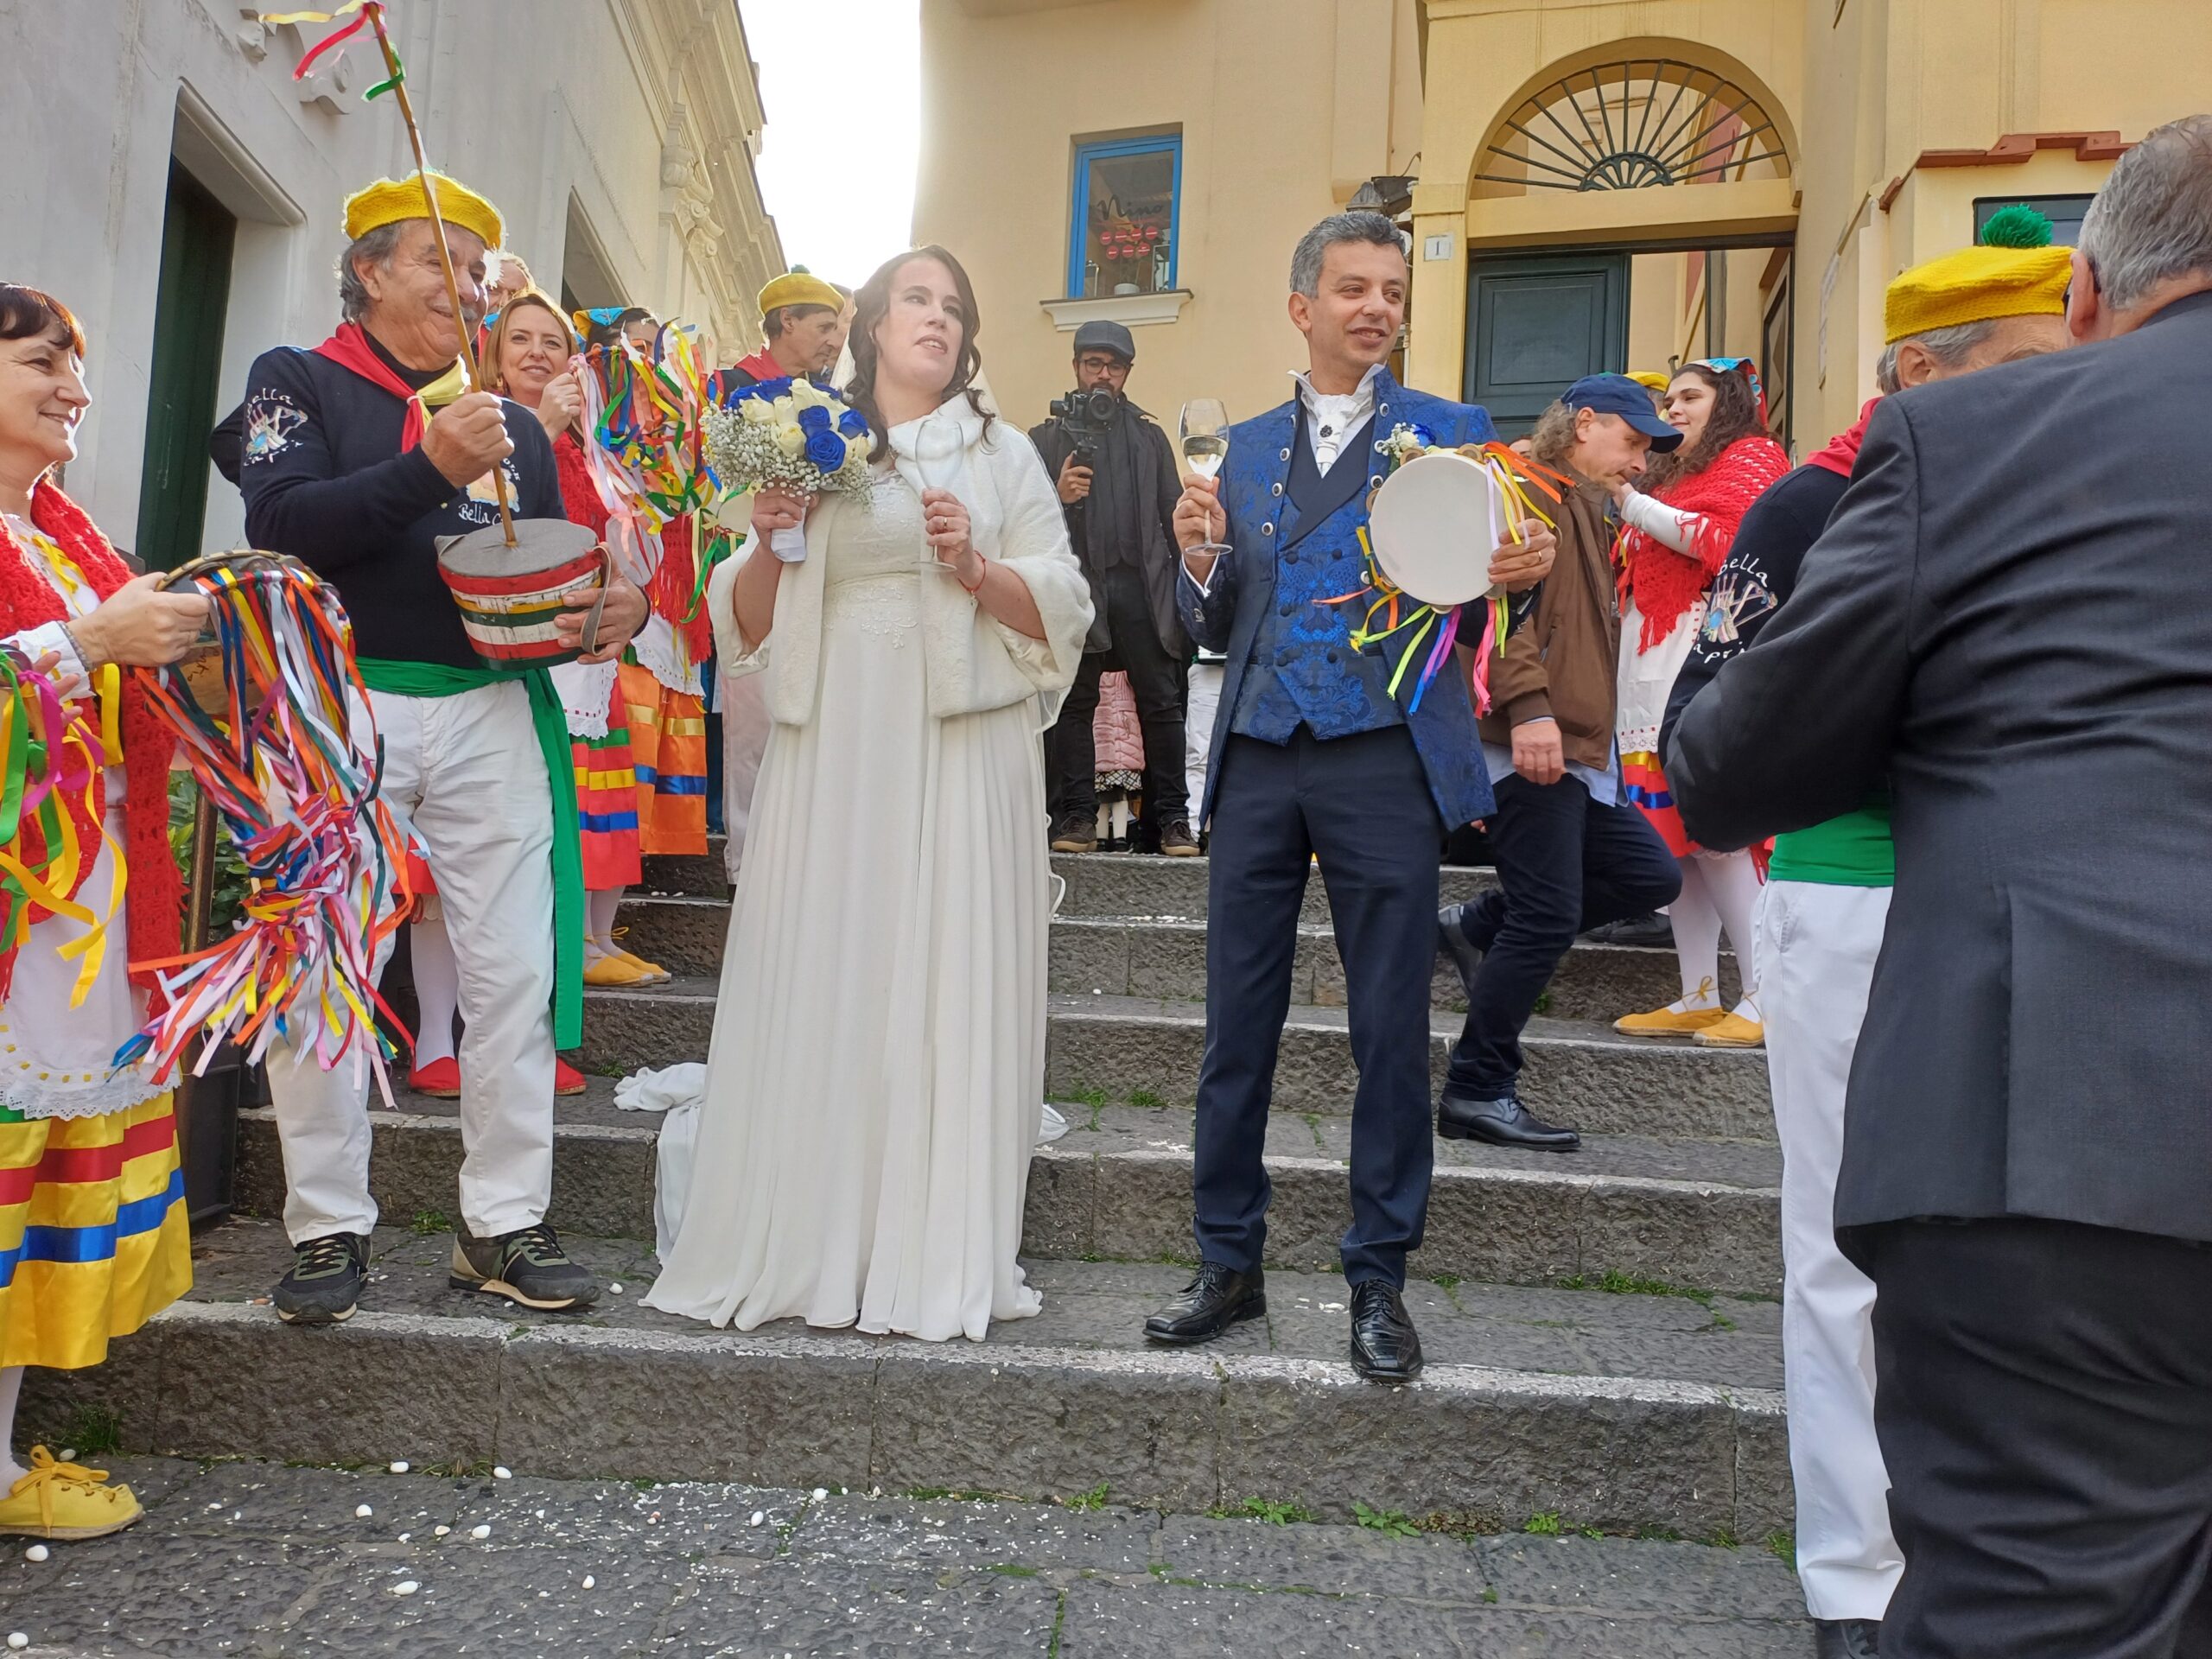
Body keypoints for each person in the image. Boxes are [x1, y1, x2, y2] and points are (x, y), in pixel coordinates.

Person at [1667, 115, 2212, 1658]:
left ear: (2094, 297)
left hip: (2073, 1109)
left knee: (2052, 1606)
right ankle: (1848, 1567)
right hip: (1899, 947)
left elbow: (1727, 757)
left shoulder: (1975, 455)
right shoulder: (1808, 494)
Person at [1656, 214, 2071, 1659]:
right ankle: (1852, 1577)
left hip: (2027, 901)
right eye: (2023, 361)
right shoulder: (1806, 507)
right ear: (1923, 370)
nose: (2054, 385)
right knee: (1840, 1248)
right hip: (1847, 894)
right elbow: (1698, 725)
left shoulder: (2071, 492)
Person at [645, 246, 1091, 1341]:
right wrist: (769, 534)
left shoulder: (1002, 454)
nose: (936, 319)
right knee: (835, 959)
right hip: (837, 742)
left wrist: (979, 569)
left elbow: (1067, 602)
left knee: (942, 966)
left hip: (960, 745)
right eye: (916, 300)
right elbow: (743, 621)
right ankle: (815, 1227)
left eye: (953, 304)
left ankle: (928, 1237)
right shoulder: (811, 438)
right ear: (875, 326)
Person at [1140, 212, 1554, 1383]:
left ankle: (1378, 1274)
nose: (1376, 306)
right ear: (1302, 307)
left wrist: (1520, 572)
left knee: (1387, 1032)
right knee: (1236, 1029)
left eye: (1389, 290)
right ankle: (1229, 1261)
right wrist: (1201, 561)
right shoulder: (1248, 448)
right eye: (1351, 288)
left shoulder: (1452, 436)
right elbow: (1209, 628)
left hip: (1385, 758)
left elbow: (1486, 591)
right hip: (1265, 753)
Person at [238, 173, 647, 1325]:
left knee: (513, 971)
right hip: (339, 703)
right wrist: (431, 468)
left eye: (476, 270)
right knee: (321, 970)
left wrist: (607, 605)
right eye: (438, 262)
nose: (464, 288)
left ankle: (504, 1222)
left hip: (488, 706)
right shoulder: (297, 380)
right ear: (367, 270)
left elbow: (556, 562)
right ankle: (326, 1229)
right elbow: (283, 525)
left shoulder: (514, 420)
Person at [0, 285, 202, 1539]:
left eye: (79, 365)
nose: (76, 385)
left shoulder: (63, 540)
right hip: (24, 928)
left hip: (72, 930)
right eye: (42, 363)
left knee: (19, 1203)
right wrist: (89, 639)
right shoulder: (70, 575)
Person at [1435, 375, 1684, 1154]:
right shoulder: (1522, 486)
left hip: (1578, 747)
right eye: (1633, 441)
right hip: (1533, 741)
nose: (1640, 463)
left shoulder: (1578, 500)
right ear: (1583, 424)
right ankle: (1477, 1086)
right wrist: (1529, 709)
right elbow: (1496, 610)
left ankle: (1476, 925)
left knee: (1652, 877)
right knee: (1546, 913)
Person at [480, 290, 670, 995]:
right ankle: (560, 945)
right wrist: (534, 426)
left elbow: (611, 536)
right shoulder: (484, 426)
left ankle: (594, 938)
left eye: (551, 342)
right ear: (496, 358)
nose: (536, 353)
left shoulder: (587, 447)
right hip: (523, 647)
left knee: (602, 794)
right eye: (520, 340)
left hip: (587, 641)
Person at [1610, 359, 1788, 1048]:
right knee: (1675, 846)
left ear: (1730, 401)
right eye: (1669, 400)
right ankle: (1697, 993)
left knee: (1716, 836)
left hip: (1704, 670)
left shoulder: (1752, 457)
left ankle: (1766, 993)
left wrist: (1631, 504)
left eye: (1690, 396)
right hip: (1646, 678)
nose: (1674, 409)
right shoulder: (1669, 476)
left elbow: (1730, 546)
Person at [1030, 319, 1195, 855]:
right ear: (1076, 367)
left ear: (1127, 372)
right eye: (1093, 364)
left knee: (1162, 703)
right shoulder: (1043, 439)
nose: (1103, 376)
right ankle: (1075, 816)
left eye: (1114, 366)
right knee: (1074, 704)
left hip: (1144, 588)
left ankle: (1171, 819)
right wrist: (1060, 498)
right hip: (1078, 590)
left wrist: (1190, 594)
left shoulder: (1149, 436)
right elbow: (1024, 527)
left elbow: (1175, 518)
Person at [719, 270, 847, 390]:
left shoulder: (827, 401)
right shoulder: (727, 386)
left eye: (834, 330)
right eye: (824, 328)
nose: (835, 344)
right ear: (787, 320)